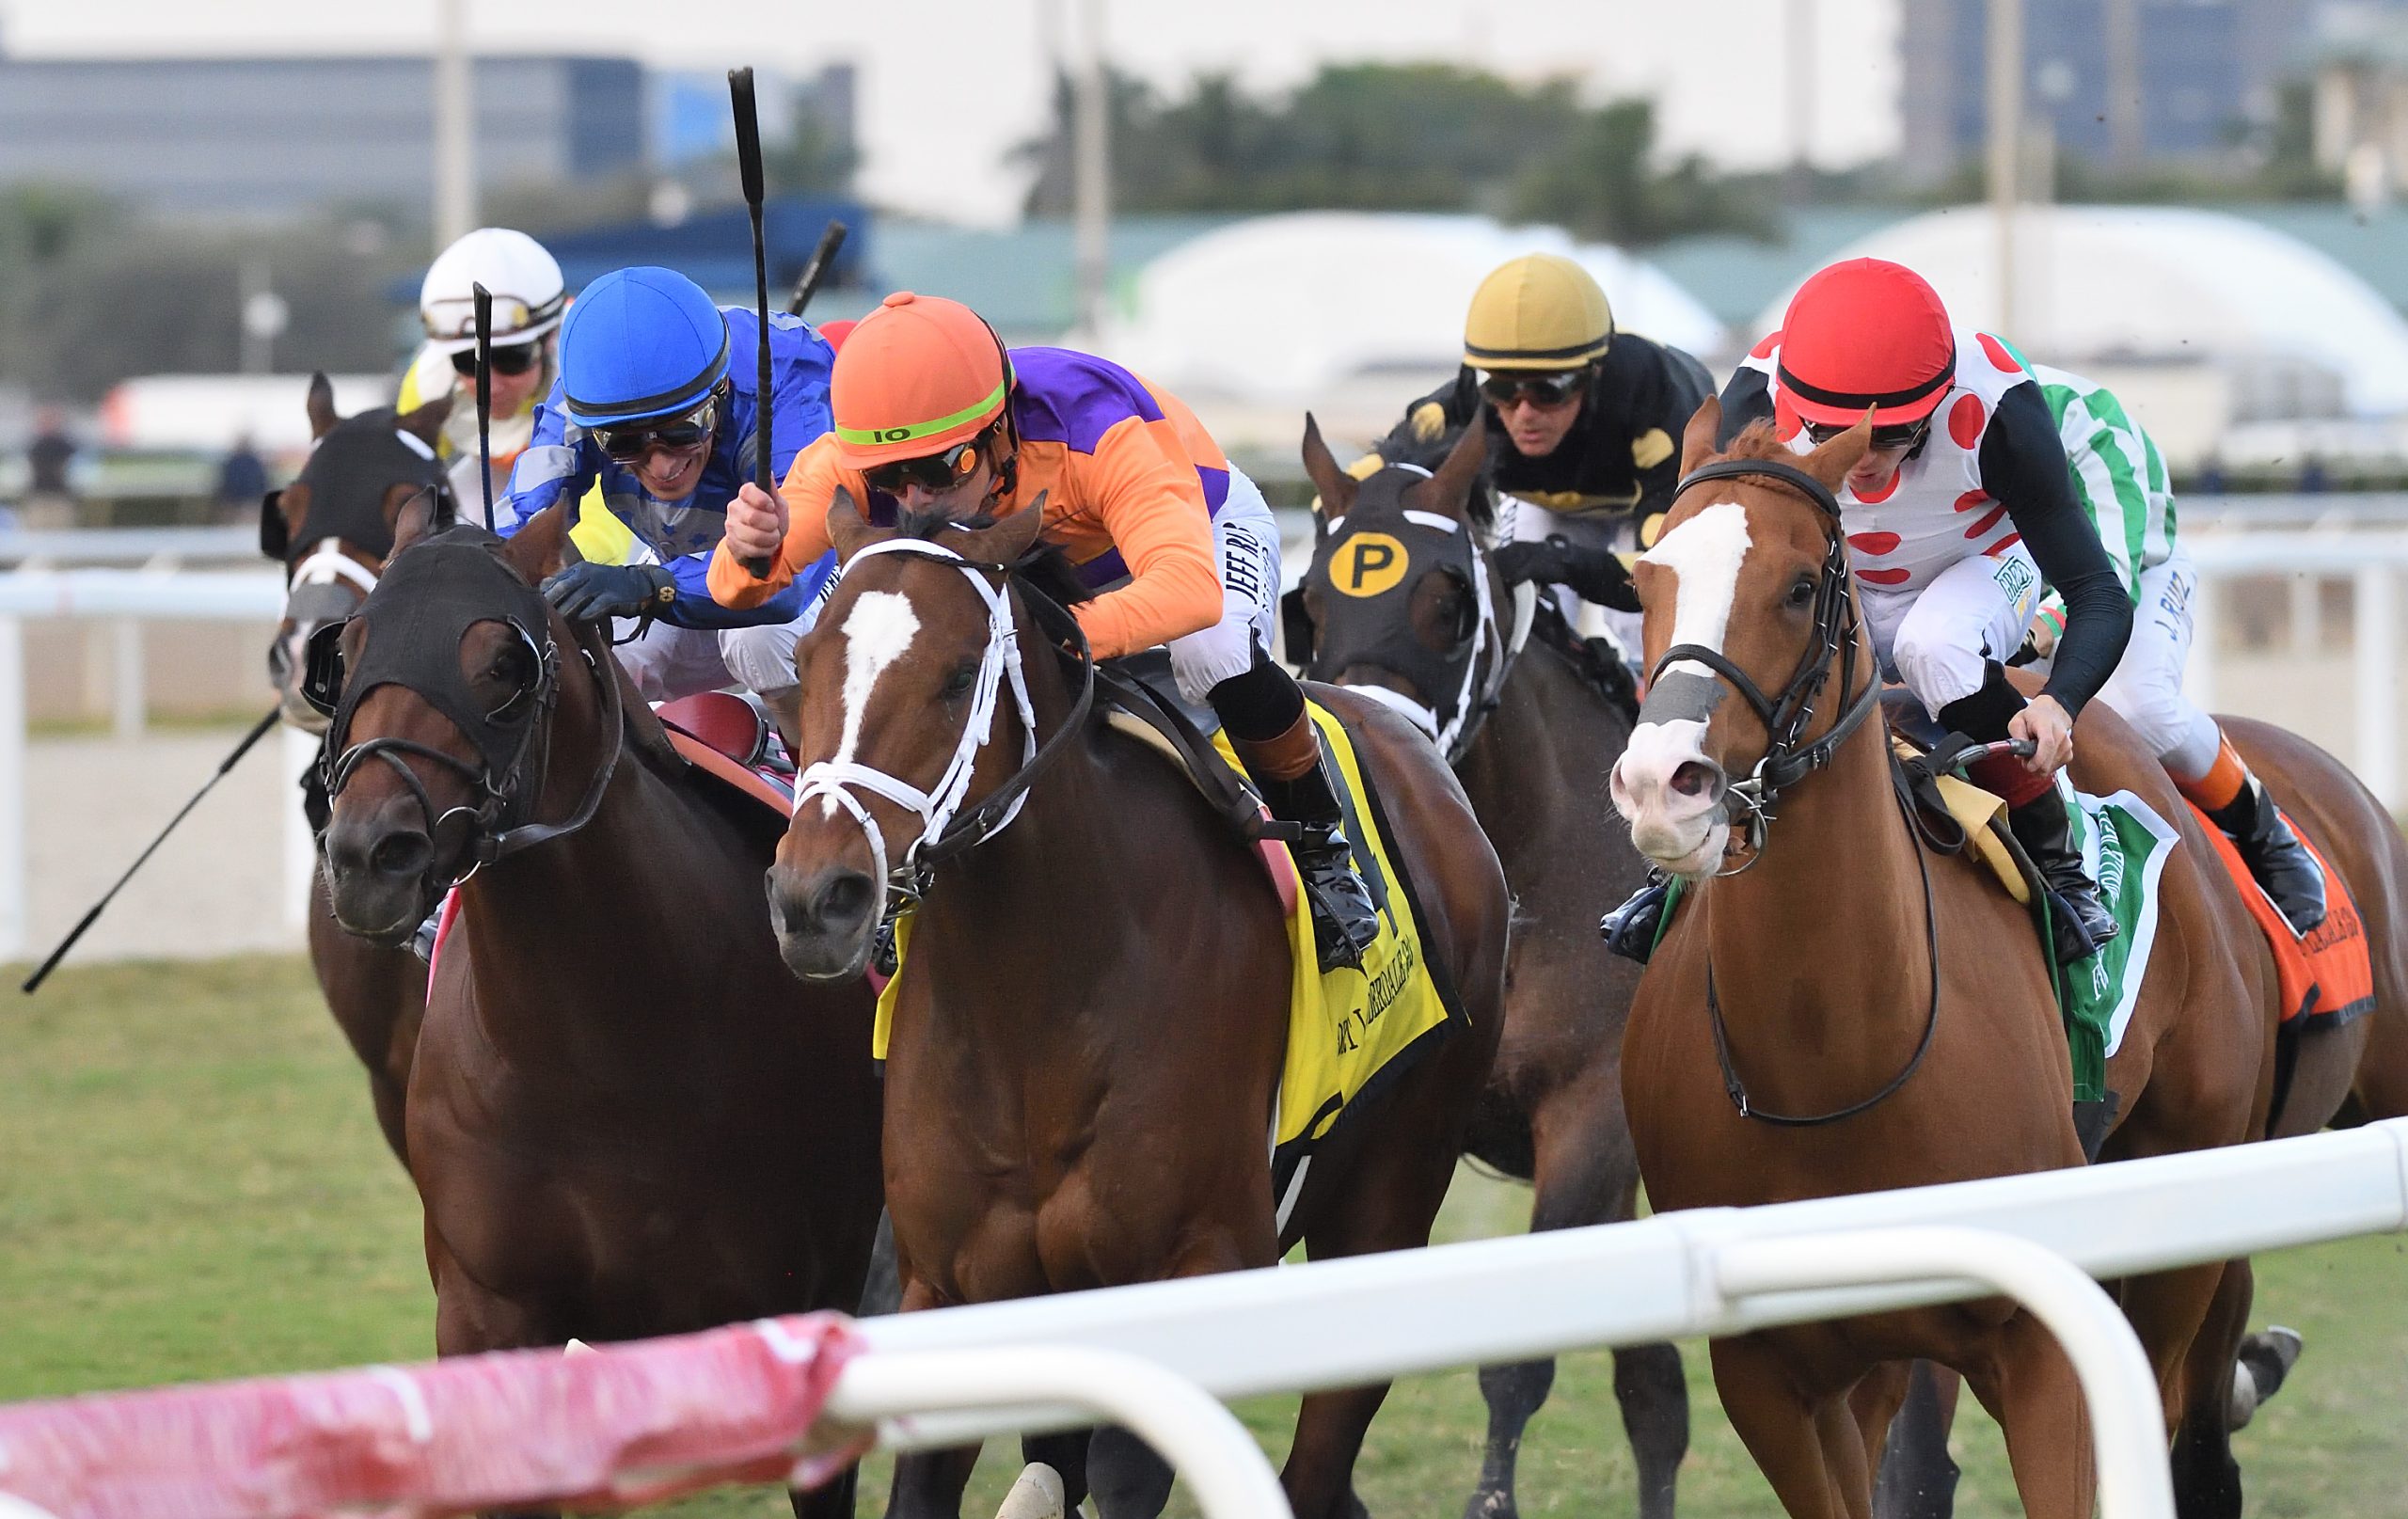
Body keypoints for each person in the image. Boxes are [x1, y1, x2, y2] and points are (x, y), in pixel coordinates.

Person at [712, 289, 1382, 969]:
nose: (917, 499)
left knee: (1212, 653)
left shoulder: (1097, 426)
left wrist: (1048, 636)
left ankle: (1321, 847)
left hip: (1187, 534)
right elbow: (738, 589)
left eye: (946, 469)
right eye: (890, 479)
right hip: (1024, 566)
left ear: (1001, 429)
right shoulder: (860, 452)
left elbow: (1188, 591)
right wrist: (745, 551)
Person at [1719, 257, 2324, 947]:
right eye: (1834, 435)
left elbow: (2099, 587)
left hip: (1994, 560)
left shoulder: (2011, 415)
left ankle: (2108, 855)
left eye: (1890, 435)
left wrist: (2058, 700)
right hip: (1851, 571)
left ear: (1940, 400)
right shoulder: (1753, 401)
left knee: (2088, 692)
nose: (1864, 460)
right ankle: (1675, 876)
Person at [494, 264, 839, 715]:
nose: (662, 465)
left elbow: (788, 578)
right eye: (626, 443)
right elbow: (514, 528)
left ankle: (811, 772)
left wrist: (649, 586)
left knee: (759, 640)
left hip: (833, 577)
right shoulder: (582, 404)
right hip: (690, 571)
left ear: (723, 390)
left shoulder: (788, 383)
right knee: (599, 665)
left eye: (682, 431)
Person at [1373, 253, 1713, 664]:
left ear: (1594, 374)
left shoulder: (1658, 405)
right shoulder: (1462, 400)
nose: (1524, 413)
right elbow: (1366, 479)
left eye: (1549, 389)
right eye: (1502, 389)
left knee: (1637, 624)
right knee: (1526, 616)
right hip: (1545, 504)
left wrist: (1561, 561)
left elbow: (1661, 569)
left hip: (1643, 505)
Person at [397, 228, 569, 521]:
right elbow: (401, 483)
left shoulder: (583, 365)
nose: (491, 385)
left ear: (550, 339)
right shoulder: (426, 387)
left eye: (512, 358)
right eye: (468, 361)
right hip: (493, 474)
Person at [23, 407, 79, 531]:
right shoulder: (34, 446)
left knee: (62, 538)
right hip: (40, 498)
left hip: (60, 498)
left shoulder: (68, 446)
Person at [214, 435, 270, 523]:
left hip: (247, 504)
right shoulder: (235, 462)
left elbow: (262, 483)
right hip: (237, 504)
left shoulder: (251, 462)